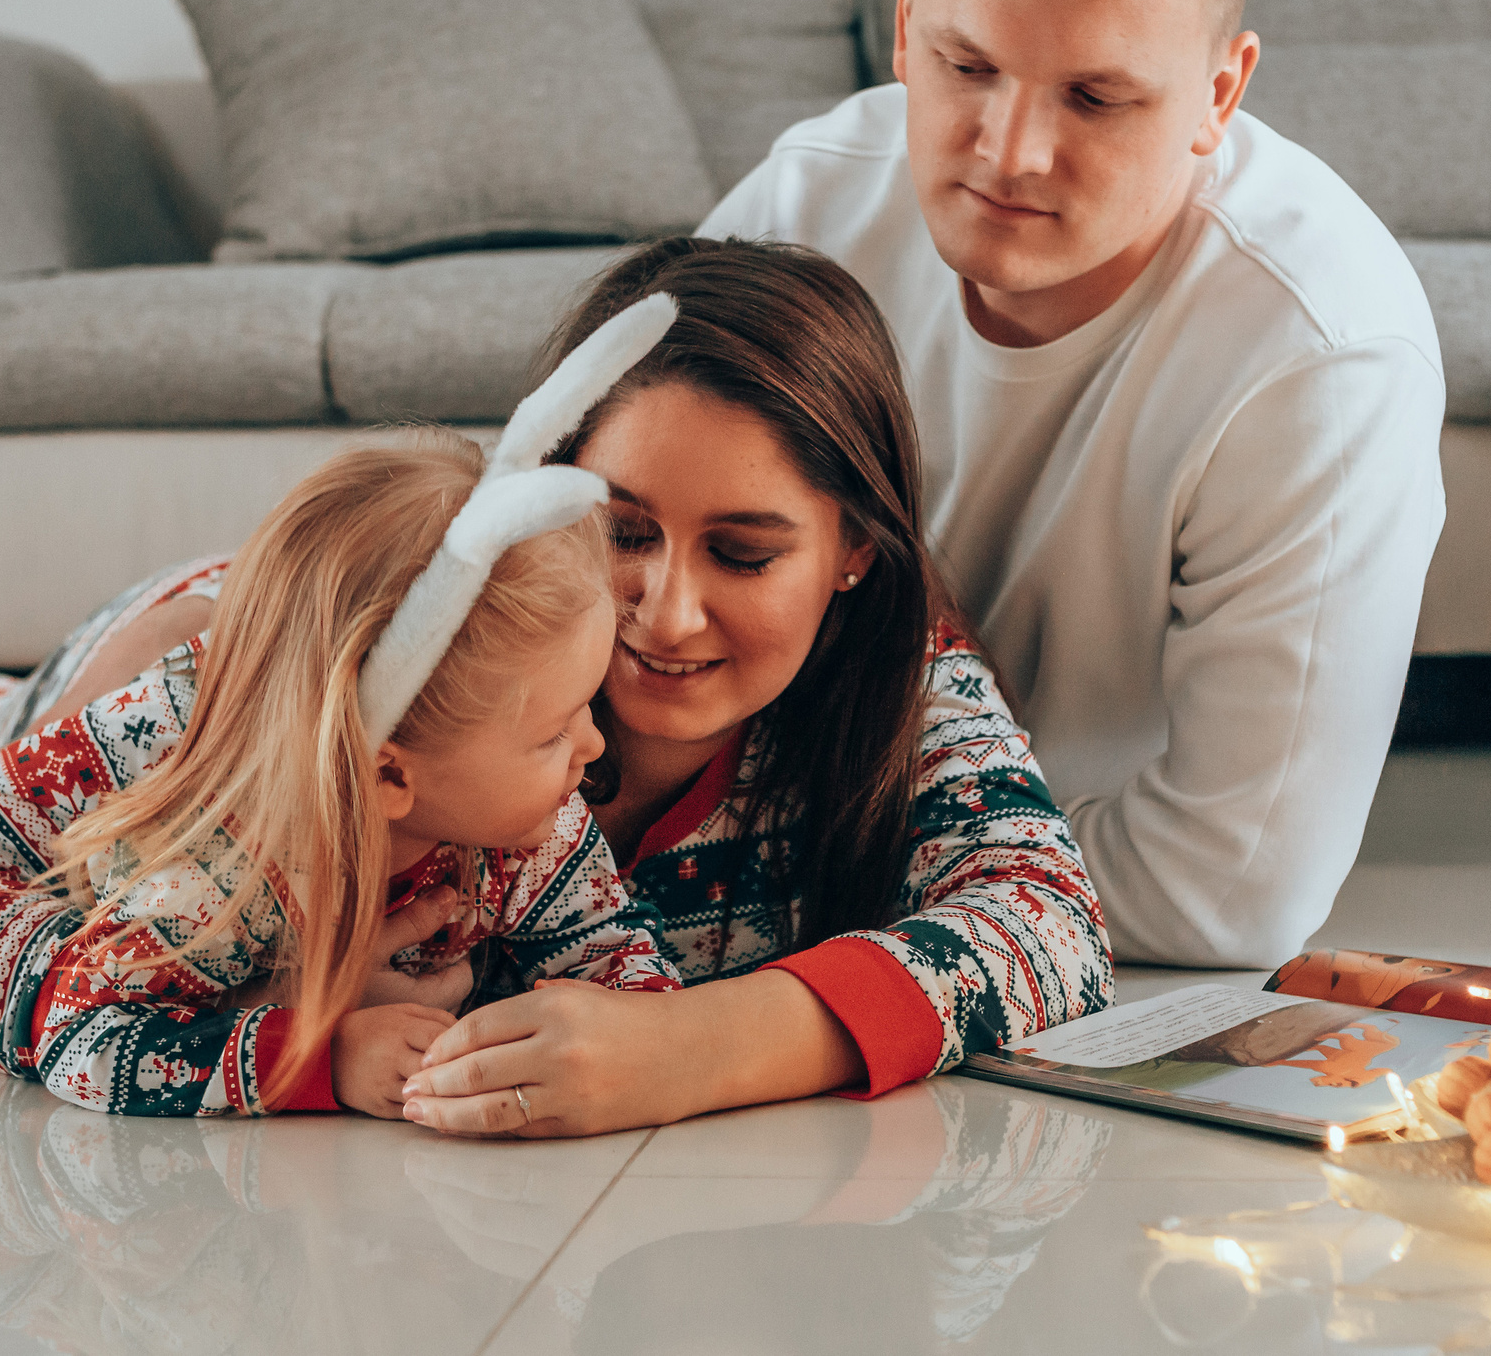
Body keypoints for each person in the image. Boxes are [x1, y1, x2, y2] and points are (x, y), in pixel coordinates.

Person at [699, 0, 1447, 967]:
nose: (1011, 152)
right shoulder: (805, 209)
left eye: (1095, 98)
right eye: (966, 65)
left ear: (1218, 94)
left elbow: (1231, 893)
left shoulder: (1322, 353)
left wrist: (769, 882)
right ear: (905, 17)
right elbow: (547, 585)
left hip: (972, 887)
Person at [0, 301, 692, 1118]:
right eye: (555, 730)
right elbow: (87, 1039)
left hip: (223, 666)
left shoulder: (522, 810)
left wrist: (615, 1038)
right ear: (388, 772)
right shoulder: (214, 876)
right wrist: (318, 1053)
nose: (594, 746)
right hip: (1, 856)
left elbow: (621, 971)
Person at [400, 238, 1112, 1135]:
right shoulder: (442, 629)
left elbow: (1054, 929)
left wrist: (689, 1047)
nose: (668, 616)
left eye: (742, 554)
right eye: (622, 533)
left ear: (856, 549)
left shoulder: (908, 673)